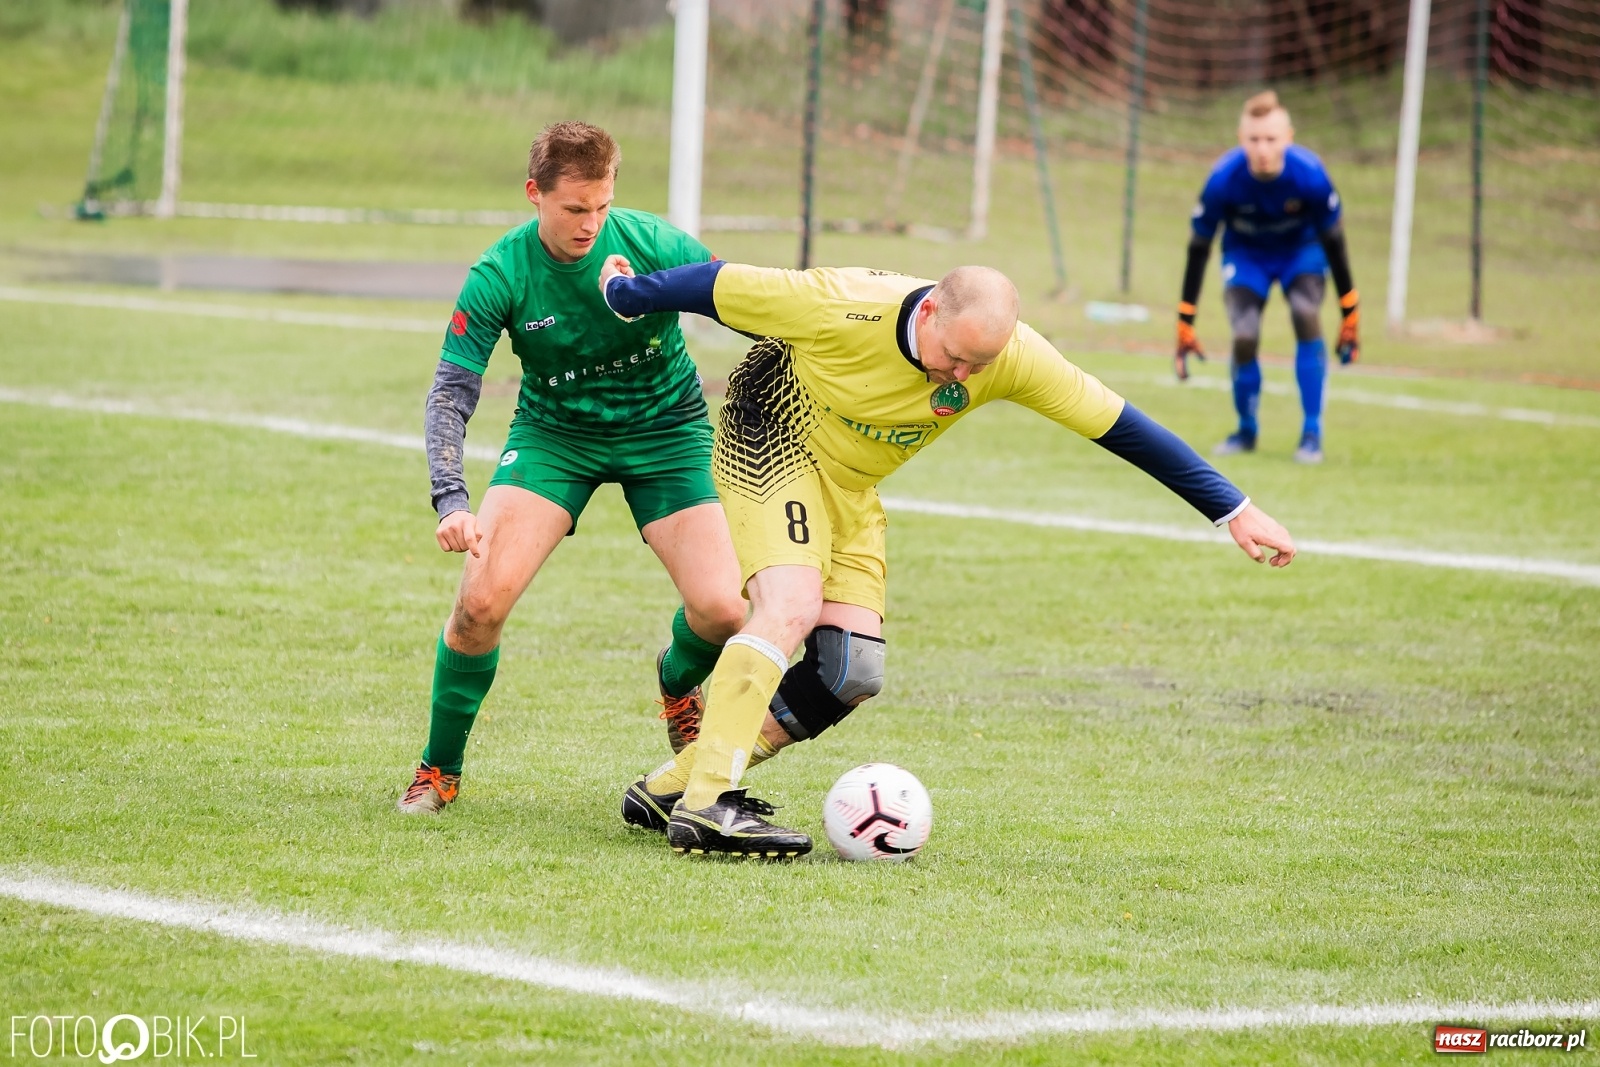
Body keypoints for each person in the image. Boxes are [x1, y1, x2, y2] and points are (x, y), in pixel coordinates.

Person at [599, 257, 1298, 856]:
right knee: (789, 606)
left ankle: (668, 789)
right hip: (772, 440)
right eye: (955, 356)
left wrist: (1233, 508)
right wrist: (624, 294)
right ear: (930, 309)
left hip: (852, 487)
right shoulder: (841, 303)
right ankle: (710, 803)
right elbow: (717, 285)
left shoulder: (1009, 356)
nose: (961, 375)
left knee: (850, 672)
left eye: (978, 366)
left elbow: (1120, 425)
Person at [398, 121, 745, 814]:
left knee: (724, 609)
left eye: (602, 206)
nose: (591, 225)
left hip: (665, 431)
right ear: (535, 193)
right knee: (479, 604)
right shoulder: (501, 273)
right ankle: (439, 769)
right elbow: (450, 391)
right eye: (575, 209)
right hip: (555, 437)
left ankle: (678, 682)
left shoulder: (653, 242)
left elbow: (748, 301)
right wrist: (451, 499)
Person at [1175, 90, 1361, 465]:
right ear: (1241, 139)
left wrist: (1350, 311)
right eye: (1254, 139)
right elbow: (1199, 247)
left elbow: (1334, 242)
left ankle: (1311, 434)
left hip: (1301, 252)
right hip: (1246, 256)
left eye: (1271, 139)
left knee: (1305, 313)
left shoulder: (1310, 174)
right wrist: (1185, 320)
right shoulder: (1223, 179)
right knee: (1244, 335)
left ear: (1288, 138)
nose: (1262, 149)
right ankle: (1246, 431)